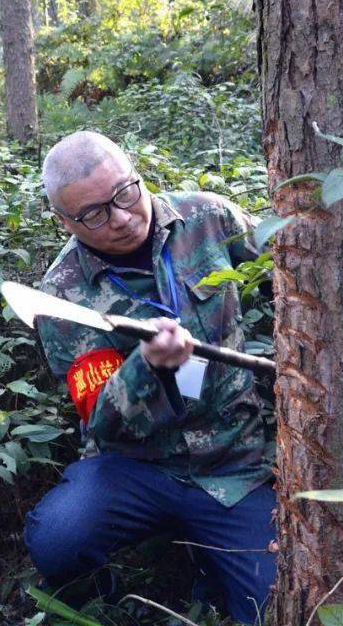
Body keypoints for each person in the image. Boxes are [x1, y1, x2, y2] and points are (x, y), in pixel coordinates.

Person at [24, 131, 275, 624]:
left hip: (235, 464)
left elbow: (287, 275)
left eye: (125, 193)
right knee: (58, 538)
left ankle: (214, 567)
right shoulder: (62, 296)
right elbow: (101, 420)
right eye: (93, 215)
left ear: (136, 174)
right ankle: (101, 591)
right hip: (138, 469)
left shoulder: (209, 219)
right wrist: (146, 366)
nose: (121, 218)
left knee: (276, 607)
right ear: (63, 222)